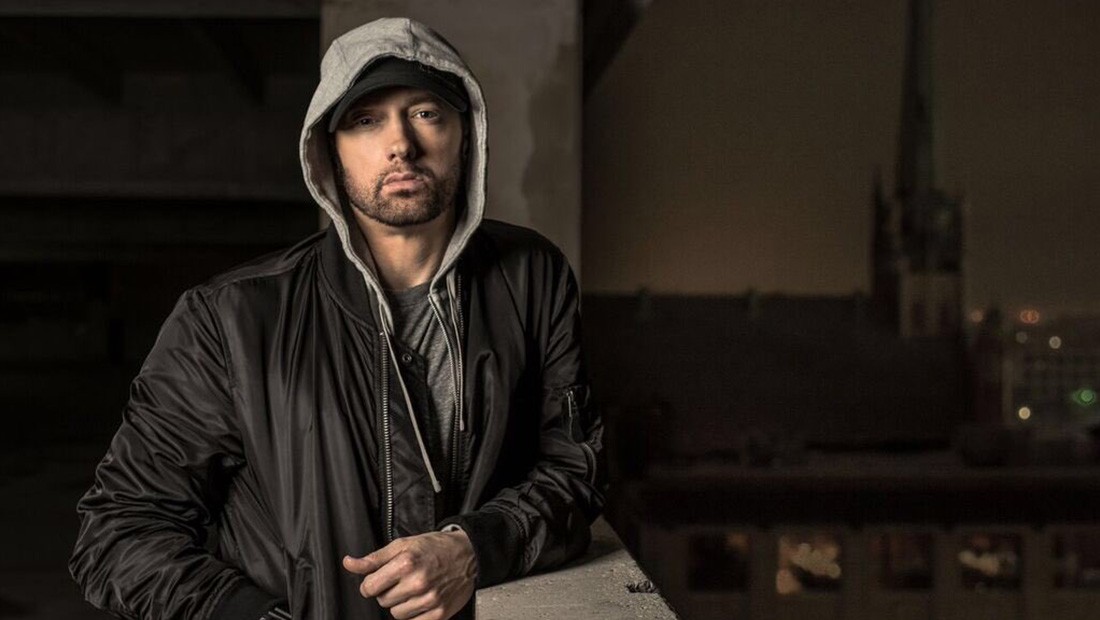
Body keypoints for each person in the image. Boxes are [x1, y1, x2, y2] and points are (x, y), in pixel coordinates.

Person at [69, 17, 604, 620]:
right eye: (366, 120)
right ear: (328, 149)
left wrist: (473, 548)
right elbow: (120, 530)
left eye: (426, 112)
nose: (401, 144)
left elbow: (574, 468)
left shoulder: (532, 278)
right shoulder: (230, 318)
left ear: (467, 133)